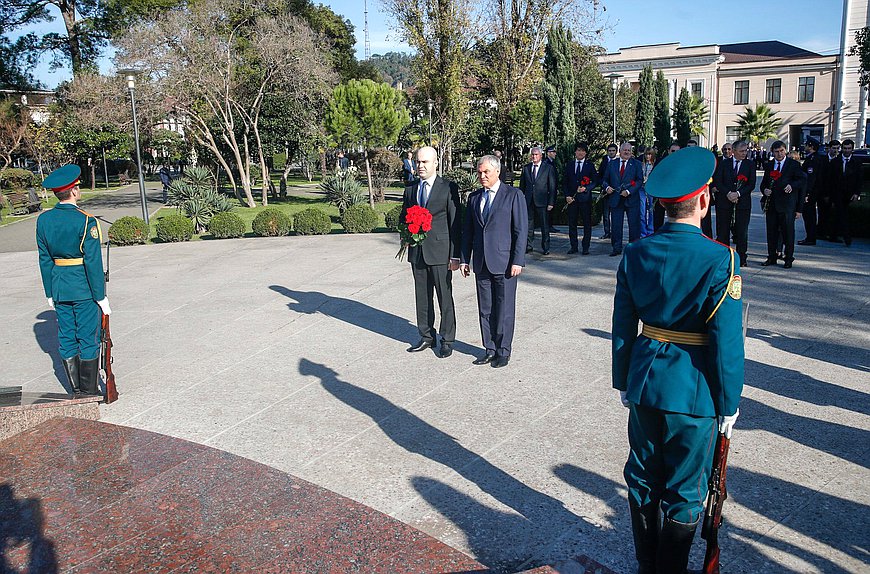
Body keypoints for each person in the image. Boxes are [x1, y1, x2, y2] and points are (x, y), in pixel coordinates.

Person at [612, 146, 743, 574]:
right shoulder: (720, 257)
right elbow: (725, 340)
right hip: (695, 389)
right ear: (705, 199)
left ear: (662, 204)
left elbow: (622, 325)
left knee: (643, 478)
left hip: (646, 381)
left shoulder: (635, 253)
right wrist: (729, 403)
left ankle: (647, 566)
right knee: (687, 490)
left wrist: (623, 381)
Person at [36, 164, 112, 395]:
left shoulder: (44, 220)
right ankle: (88, 391)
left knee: (67, 336)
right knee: (88, 336)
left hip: (59, 288)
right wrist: (101, 297)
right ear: (75, 191)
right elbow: (92, 263)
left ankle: (76, 388)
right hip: (83, 289)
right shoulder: (86, 221)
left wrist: (49, 291)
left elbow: (44, 259)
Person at [460, 155, 528, 369]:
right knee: (486, 308)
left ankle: (503, 350)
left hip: (505, 262)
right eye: (479, 172)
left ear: (497, 172)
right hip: (481, 262)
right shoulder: (474, 198)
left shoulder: (513, 195)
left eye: (486, 172)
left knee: (505, 308)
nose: (482, 176)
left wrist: (518, 260)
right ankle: (489, 348)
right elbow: (468, 231)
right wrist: (464, 259)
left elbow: (521, 230)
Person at [400, 146, 462, 358]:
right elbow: (404, 217)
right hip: (418, 252)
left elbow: (456, 223)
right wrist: (406, 236)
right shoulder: (410, 189)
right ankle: (426, 336)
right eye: (418, 162)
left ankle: (447, 339)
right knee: (422, 297)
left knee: (444, 297)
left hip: (441, 251)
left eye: (425, 162)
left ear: (436, 163)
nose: (420, 166)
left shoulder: (448, 188)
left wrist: (455, 255)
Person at [760, 140, 806, 268]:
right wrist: (765, 190)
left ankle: (788, 258)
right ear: (772, 153)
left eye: (781, 151)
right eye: (776, 152)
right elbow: (764, 183)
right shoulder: (769, 165)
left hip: (787, 205)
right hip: (772, 204)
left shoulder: (793, 164)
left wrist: (792, 185)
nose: (779, 154)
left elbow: (802, 180)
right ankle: (772, 256)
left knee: (788, 232)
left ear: (785, 150)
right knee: (771, 232)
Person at [712, 140, 756, 266]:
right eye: (741, 151)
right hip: (724, 203)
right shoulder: (724, 164)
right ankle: (724, 258)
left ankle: (742, 258)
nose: (744, 153)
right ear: (734, 151)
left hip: (742, 203)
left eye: (746, 151)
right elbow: (718, 181)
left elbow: (751, 184)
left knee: (742, 232)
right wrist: (728, 194)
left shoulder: (750, 165)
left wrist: (738, 194)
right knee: (723, 231)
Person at [603, 142, 643, 256]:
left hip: (631, 199)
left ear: (631, 152)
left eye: (629, 150)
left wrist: (629, 191)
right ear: (620, 151)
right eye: (624, 150)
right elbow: (605, 179)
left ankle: (633, 248)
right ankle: (616, 248)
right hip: (616, 199)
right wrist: (607, 187)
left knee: (634, 225)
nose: (626, 152)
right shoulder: (612, 164)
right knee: (616, 225)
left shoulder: (637, 164)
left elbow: (639, 180)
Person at [519, 146, 557, 255]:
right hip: (529, 201)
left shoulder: (548, 168)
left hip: (543, 201)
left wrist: (551, 202)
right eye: (532, 154)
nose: (534, 156)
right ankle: (528, 246)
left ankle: (545, 247)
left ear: (541, 156)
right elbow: (522, 186)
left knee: (544, 225)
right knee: (528, 225)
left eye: (536, 154)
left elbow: (552, 187)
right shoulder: (526, 168)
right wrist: (522, 201)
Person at [564, 142, 598, 254]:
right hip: (572, 200)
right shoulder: (569, 164)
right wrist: (567, 195)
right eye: (578, 150)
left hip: (585, 199)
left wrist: (586, 188)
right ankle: (573, 246)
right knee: (572, 223)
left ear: (586, 153)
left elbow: (595, 181)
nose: (580, 152)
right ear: (575, 152)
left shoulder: (590, 165)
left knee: (587, 223)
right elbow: (565, 182)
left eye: (583, 151)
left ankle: (585, 247)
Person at [798, 138, 824, 246]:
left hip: (811, 193)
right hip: (812, 192)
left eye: (806, 145)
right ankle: (810, 236)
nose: (805, 147)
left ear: (811, 146)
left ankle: (811, 238)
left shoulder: (813, 159)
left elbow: (811, 178)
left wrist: (807, 193)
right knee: (809, 216)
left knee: (809, 216)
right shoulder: (812, 158)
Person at [835, 139, 861, 246]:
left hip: (850, 193)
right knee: (841, 214)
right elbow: (831, 178)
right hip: (838, 193)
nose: (847, 151)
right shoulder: (836, 161)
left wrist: (857, 193)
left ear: (852, 149)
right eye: (845, 148)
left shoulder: (856, 162)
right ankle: (846, 237)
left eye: (849, 148)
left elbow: (859, 179)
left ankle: (840, 234)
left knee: (846, 215)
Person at [817, 140, 841, 242]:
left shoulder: (840, 160)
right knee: (823, 214)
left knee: (835, 214)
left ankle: (833, 235)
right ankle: (821, 233)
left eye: (837, 148)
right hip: (823, 192)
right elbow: (821, 177)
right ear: (829, 148)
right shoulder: (822, 160)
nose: (835, 150)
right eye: (833, 148)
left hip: (836, 192)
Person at [597, 144, 619, 239]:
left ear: (616, 151)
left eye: (613, 150)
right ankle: (607, 232)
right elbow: (601, 176)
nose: (611, 152)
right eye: (609, 150)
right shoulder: (604, 161)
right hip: (606, 191)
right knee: (606, 214)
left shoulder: (619, 162)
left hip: (616, 191)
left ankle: (615, 232)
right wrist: (605, 187)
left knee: (615, 214)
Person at [639, 148, 656, 237]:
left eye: (649, 154)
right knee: (642, 211)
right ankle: (643, 232)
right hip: (642, 189)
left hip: (651, 189)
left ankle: (650, 231)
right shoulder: (642, 164)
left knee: (651, 210)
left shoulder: (654, 165)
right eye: (646, 154)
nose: (648, 156)